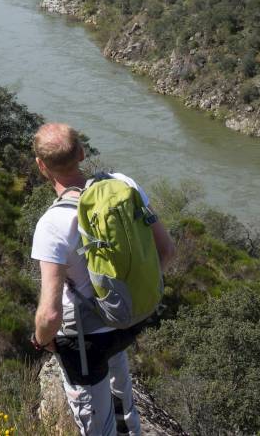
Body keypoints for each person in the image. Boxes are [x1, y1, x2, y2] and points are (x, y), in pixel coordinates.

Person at [30, 122, 176, 436]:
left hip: (86, 341)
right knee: (121, 389)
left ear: (42, 167)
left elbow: (50, 314)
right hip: (129, 318)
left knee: (97, 427)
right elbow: (166, 250)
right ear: (82, 153)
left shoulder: (51, 224)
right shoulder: (124, 185)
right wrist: (133, 292)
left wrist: (41, 341)